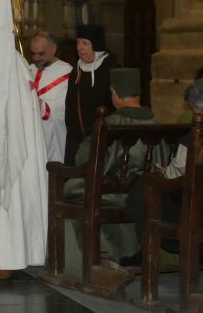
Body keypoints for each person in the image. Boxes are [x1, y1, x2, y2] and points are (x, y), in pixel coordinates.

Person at [65, 68, 157, 272]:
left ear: (114, 94)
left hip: (114, 193)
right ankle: (123, 252)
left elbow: (84, 160)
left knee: (69, 192)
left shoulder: (110, 124)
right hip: (146, 193)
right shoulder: (156, 122)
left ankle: (81, 264)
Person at [123, 78, 203, 266]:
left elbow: (177, 176)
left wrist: (162, 172)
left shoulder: (194, 139)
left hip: (190, 211)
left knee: (144, 186)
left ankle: (148, 255)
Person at [64, 24, 118, 165]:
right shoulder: (77, 70)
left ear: (97, 45)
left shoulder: (111, 69)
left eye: (85, 43)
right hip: (75, 140)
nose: (80, 48)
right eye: (78, 43)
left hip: (101, 140)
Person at [29, 32, 72, 163]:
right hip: (29, 135)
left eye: (41, 54)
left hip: (51, 138)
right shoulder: (28, 69)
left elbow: (64, 108)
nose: (36, 58)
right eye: (33, 53)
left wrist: (41, 105)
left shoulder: (68, 72)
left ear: (53, 49)